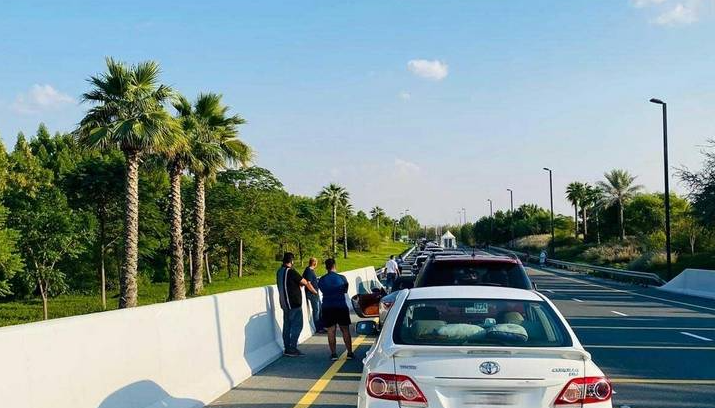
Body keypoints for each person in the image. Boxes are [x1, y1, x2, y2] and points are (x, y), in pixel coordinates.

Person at [276, 252, 318, 357]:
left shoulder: (279, 271)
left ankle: (287, 348)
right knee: (297, 326)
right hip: (294, 303)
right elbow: (304, 282)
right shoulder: (291, 271)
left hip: (284, 303)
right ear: (291, 261)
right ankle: (292, 348)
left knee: (287, 326)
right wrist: (314, 291)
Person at [318, 258, 353, 361]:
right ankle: (350, 353)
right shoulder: (342, 278)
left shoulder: (322, 279)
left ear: (326, 267)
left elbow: (321, 289)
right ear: (334, 266)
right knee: (345, 329)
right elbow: (345, 290)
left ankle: (333, 354)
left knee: (331, 330)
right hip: (341, 306)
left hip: (328, 306)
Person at [303, 257, 325, 333]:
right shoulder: (309, 271)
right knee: (316, 310)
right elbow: (308, 283)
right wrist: (314, 291)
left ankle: (322, 326)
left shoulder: (310, 270)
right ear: (314, 263)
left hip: (314, 293)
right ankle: (318, 328)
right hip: (312, 293)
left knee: (320, 309)